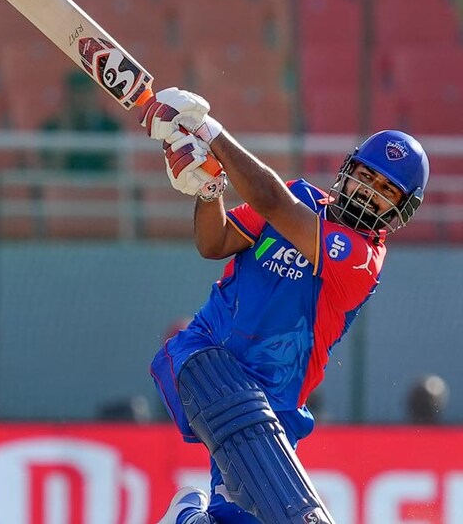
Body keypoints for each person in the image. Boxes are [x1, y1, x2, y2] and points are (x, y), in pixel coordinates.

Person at [140, 88, 429, 524]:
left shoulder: (360, 260)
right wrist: (208, 188)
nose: (371, 193)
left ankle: (187, 517)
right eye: (367, 177)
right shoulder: (301, 198)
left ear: (400, 211)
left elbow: (272, 202)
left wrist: (208, 131)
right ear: (348, 172)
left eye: (387, 191)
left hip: (273, 408)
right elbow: (214, 242)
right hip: (206, 361)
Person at [40, 70, 123, 172]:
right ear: (67, 97)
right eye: (77, 94)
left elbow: (116, 173)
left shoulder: (111, 128)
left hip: (98, 186)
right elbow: (51, 174)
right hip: (66, 186)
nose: (81, 100)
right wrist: (65, 131)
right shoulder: (51, 128)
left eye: (86, 93)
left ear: (95, 96)